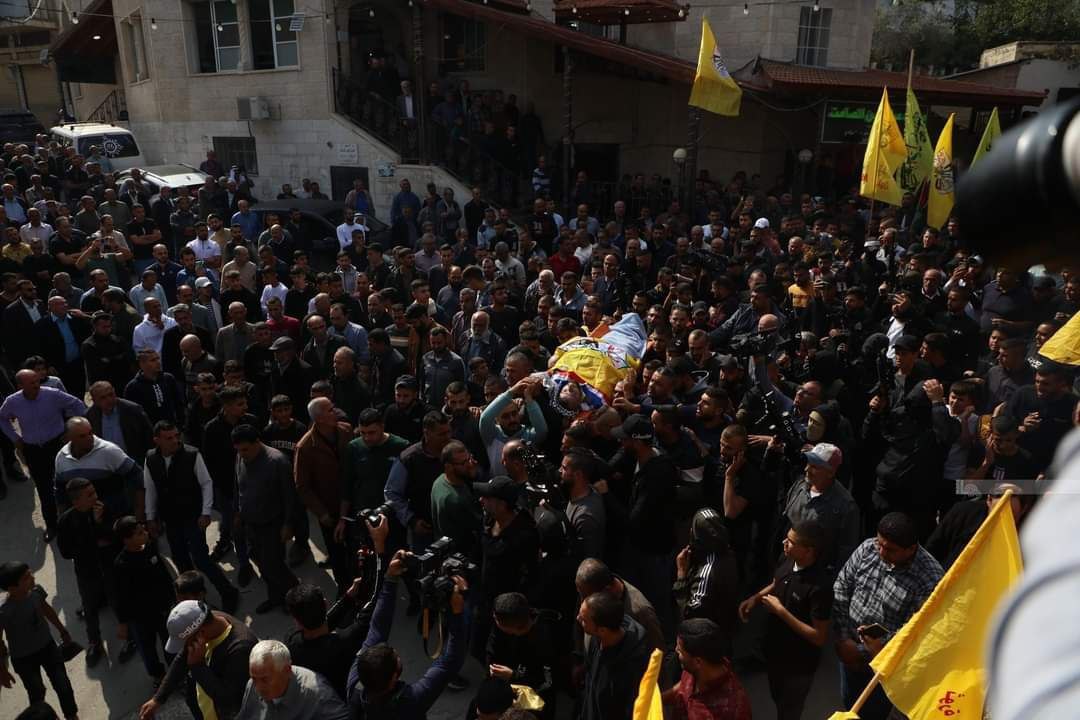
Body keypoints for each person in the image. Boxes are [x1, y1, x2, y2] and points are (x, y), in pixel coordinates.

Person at [833, 512, 944, 720]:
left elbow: (917, 632)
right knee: (849, 705)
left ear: (911, 549)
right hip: (848, 653)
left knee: (872, 714)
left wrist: (867, 651)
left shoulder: (930, 579)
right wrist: (844, 638)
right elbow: (841, 586)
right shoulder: (868, 548)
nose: (881, 553)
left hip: (884, 667)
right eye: (880, 544)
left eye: (890, 550)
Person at [346, 549, 468, 718]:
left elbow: (377, 628)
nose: (398, 655)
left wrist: (390, 579)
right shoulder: (410, 702)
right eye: (396, 659)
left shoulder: (355, 686)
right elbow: (449, 663)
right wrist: (457, 613)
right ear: (392, 679)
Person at [739, 520, 832, 720]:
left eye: (791, 541)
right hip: (775, 652)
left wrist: (781, 611)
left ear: (808, 551)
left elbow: (819, 637)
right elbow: (776, 581)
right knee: (777, 697)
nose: (784, 543)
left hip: (798, 665)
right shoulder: (787, 558)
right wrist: (755, 598)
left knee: (789, 710)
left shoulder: (820, 587)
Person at [143, 420, 240, 612]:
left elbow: (206, 483)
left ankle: (228, 592)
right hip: (171, 519)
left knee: (201, 558)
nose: (175, 441)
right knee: (181, 560)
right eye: (168, 438)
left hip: (193, 516)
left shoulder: (192, 454)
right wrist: (150, 517)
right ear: (157, 440)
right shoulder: (151, 459)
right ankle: (194, 601)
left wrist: (205, 512)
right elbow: (150, 489)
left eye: (176, 436)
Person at [0, 369, 86, 540]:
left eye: (37, 381)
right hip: (33, 450)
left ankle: (77, 522)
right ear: (20, 386)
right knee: (43, 487)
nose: (36, 385)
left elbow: (77, 405)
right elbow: (2, 418)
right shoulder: (13, 401)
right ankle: (52, 525)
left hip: (57, 445)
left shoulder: (52, 394)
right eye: (31, 383)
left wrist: (71, 429)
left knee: (68, 483)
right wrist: (15, 438)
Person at [139, 599, 257, 720]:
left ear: (201, 632)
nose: (184, 646)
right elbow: (182, 659)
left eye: (185, 641)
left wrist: (197, 666)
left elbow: (229, 700)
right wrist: (158, 699)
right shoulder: (210, 619)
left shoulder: (240, 650)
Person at [55, 478, 124, 668]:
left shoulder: (104, 510)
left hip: (109, 567)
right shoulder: (66, 521)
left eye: (94, 492)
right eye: (90, 495)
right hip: (86, 571)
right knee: (89, 606)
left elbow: (115, 536)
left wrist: (100, 523)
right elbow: (66, 552)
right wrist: (93, 536)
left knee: (116, 600)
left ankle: (128, 636)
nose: (96, 497)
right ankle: (94, 643)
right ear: (76, 501)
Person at [232, 424, 300, 613]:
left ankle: (296, 598)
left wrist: (288, 524)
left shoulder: (277, 461)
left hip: (272, 524)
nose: (242, 454)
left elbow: (290, 497)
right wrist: (237, 512)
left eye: (245, 449)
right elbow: (238, 486)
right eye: (238, 450)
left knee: (274, 565)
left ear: (257, 442)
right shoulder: (240, 456)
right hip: (250, 523)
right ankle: (276, 597)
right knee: (260, 561)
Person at [0, 562, 79, 720]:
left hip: (48, 648)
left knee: (63, 685)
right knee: (36, 692)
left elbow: (47, 610)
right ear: (12, 588)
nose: (32, 578)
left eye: (30, 573)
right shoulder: (4, 612)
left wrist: (62, 630)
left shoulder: (36, 592)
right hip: (23, 658)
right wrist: (2, 670)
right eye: (26, 578)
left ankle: (71, 716)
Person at [294, 397, 352, 593]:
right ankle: (344, 590)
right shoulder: (305, 447)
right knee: (336, 553)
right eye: (330, 410)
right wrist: (321, 513)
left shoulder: (346, 431)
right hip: (329, 509)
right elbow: (302, 486)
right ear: (318, 418)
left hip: (351, 502)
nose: (335, 412)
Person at [112, 516, 176, 684]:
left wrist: (174, 596)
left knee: (170, 643)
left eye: (143, 530)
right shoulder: (122, 565)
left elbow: (164, 575)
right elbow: (120, 596)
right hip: (140, 617)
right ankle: (158, 676)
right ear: (127, 540)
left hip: (161, 608)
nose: (145, 533)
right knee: (147, 649)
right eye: (139, 533)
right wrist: (123, 623)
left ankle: (176, 675)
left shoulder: (150, 548)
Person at [577, 590, 652, 720]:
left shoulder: (633, 665)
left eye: (583, 620)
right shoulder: (597, 638)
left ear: (602, 630)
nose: (578, 618)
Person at [663, 618, 753, 720]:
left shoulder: (733, 711)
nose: (676, 650)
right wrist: (657, 699)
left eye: (680, 651)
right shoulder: (696, 668)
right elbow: (683, 688)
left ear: (698, 661)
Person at [236, 639, 350, 719]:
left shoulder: (318, 695)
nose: (257, 688)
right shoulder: (252, 684)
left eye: (265, 680)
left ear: (287, 671)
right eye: (254, 678)